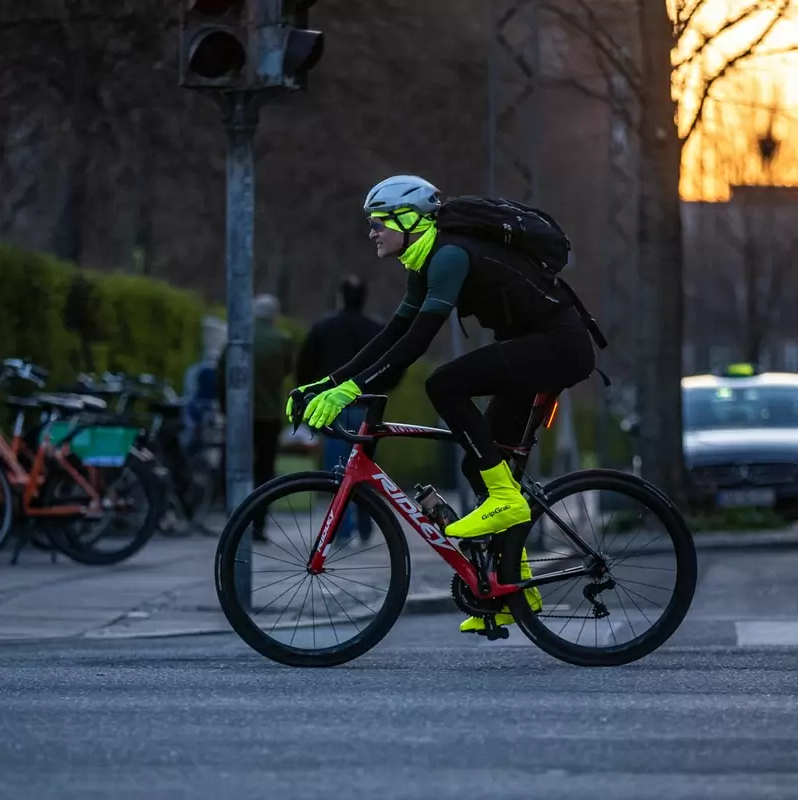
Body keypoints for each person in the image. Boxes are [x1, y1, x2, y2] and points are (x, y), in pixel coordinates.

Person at [287, 175, 596, 634]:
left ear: (408, 220)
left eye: (378, 223)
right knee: (481, 465)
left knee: (444, 383)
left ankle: (508, 500)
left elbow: (415, 344)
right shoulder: (425, 261)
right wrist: (325, 383)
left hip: (558, 347)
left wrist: (351, 391)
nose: (372, 232)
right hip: (534, 346)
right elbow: (391, 335)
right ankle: (518, 590)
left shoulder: (449, 256)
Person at [295, 275, 405, 542]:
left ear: (340, 297)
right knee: (365, 466)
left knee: (337, 470)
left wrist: (311, 394)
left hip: (332, 407)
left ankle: (340, 531)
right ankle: (366, 524)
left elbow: (304, 367)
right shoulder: (375, 330)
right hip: (366, 406)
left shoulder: (323, 328)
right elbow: (395, 364)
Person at [218, 293, 293, 541]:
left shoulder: (237, 339)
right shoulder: (281, 341)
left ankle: (233, 523)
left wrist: (224, 407)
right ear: (274, 316)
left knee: (237, 469)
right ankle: (259, 526)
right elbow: (287, 370)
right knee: (264, 472)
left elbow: (221, 373)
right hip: (268, 415)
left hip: (239, 415)